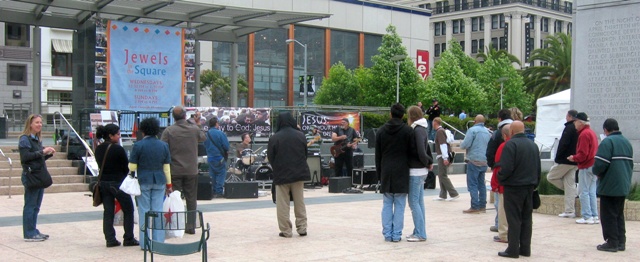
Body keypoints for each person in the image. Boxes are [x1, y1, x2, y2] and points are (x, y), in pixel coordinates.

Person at [497, 121, 541, 258]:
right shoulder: (533, 145)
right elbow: (538, 168)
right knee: (527, 218)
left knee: (514, 219)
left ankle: (513, 249)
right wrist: (535, 184)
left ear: (511, 131)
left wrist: (500, 178)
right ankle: (525, 248)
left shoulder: (511, 144)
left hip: (514, 187)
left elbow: (507, 168)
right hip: (529, 186)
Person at [161, 106, 206, 234]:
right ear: (185, 116)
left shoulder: (169, 131)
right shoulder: (194, 129)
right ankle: (190, 226)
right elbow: (203, 137)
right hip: (191, 169)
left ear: (173, 117)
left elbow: (163, 146)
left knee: (174, 198)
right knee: (191, 199)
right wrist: (197, 124)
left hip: (174, 170)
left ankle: (175, 224)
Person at [128, 117, 172, 250]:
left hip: (143, 181)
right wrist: (169, 184)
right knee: (158, 211)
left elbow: (132, 167)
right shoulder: (164, 145)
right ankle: (158, 242)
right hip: (159, 181)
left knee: (144, 211)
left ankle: (145, 243)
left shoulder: (138, 145)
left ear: (143, 130)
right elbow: (166, 168)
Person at [593, 118, 633, 252]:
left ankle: (612, 242)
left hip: (610, 186)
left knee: (608, 215)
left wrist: (596, 172)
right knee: (618, 214)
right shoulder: (626, 142)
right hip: (623, 185)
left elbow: (599, 164)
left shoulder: (607, 142)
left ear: (605, 130)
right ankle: (621, 241)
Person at [94, 124, 138, 247]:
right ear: (110, 135)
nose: (119, 137)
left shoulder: (99, 148)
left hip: (103, 183)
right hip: (118, 183)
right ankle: (128, 238)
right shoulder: (117, 149)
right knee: (128, 209)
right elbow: (125, 167)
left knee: (108, 211)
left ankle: (110, 239)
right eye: (118, 134)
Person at [267, 112, 310, 238]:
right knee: (299, 202)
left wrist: (277, 168)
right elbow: (305, 154)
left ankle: (286, 231)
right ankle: (302, 228)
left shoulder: (275, 138)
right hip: (299, 173)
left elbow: (271, 157)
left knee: (283, 204)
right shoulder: (301, 136)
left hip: (282, 174)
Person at [375, 103, 413, 242]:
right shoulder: (408, 131)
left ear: (390, 114)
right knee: (400, 204)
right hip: (402, 170)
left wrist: (379, 175)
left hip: (386, 170)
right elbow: (412, 152)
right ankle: (397, 235)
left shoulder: (380, 131)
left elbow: (377, 156)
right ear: (403, 115)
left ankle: (387, 234)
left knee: (386, 203)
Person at [19, 114, 56, 242]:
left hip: (39, 175)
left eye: (40, 122)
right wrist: (43, 152)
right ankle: (29, 233)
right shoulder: (25, 139)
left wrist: (47, 155)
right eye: (37, 123)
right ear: (30, 124)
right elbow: (26, 157)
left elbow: (37, 158)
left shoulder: (37, 139)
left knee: (36, 206)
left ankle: (33, 230)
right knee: (30, 205)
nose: (39, 125)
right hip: (31, 176)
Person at [406, 106, 433, 242]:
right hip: (421, 170)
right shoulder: (423, 128)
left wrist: (426, 161)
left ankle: (420, 233)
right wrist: (429, 162)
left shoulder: (416, 130)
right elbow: (426, 149)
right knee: (419, 202)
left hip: (416, 170)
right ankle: (419, 230)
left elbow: (421, 151)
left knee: (413, 202)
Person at [567, 112, 599, 224]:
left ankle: (587, 216)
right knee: (591, 191)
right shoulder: (591, 133)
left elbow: (583, 154)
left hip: (586, 165)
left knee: (583, 191)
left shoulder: (584, 134)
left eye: (575, 121)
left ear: (580, 122)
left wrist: (573, 158)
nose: (574, 123)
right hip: (593, 164)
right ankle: (594, 215)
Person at [547, 110, 579, 218]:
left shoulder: (569, 128)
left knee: (551, 176)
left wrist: (558, 158)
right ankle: (569, 211)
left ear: (569, 116)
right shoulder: (578, 129)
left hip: (565, 160)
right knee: (570, 184)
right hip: (575, 161)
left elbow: (563, 144)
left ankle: (576, 191)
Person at [459, 115, 491, 214]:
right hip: (484, 161)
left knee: (472, 184)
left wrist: (461, 144)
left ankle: (474, 206)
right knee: (482, 184)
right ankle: (482, 206)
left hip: (473, 160)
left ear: (475, 121)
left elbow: (465, 144)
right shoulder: (487, 132)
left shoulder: (472, 130)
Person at [490, 124, 511, 243]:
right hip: (520, 185)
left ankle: (503, 235)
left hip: (504, 186)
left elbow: (498, 167)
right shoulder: (529, 145)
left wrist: (495, 185)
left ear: (504, 135)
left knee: (502, 210)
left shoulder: (504, 146)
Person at [432, 117, 459, 201]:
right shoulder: (441, 131)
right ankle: (443, 194)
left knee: (442, 175)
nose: (432, 124)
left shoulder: (440, 132)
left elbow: (443, 145)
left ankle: (453, 193)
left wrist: (445, 157)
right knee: (441, 175)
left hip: (442, 156)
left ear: (436, 122)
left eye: (433, 122)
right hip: (442, 155)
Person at [204, 116, 230, 198]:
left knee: (213, 174)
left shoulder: (206, 134)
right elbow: (226, 146)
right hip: (219, 157)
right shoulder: (220, 133)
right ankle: (219, 191)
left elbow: (205, 145)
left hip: (210, 157)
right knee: (221, 174)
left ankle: (213, 191)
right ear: (216, 124)